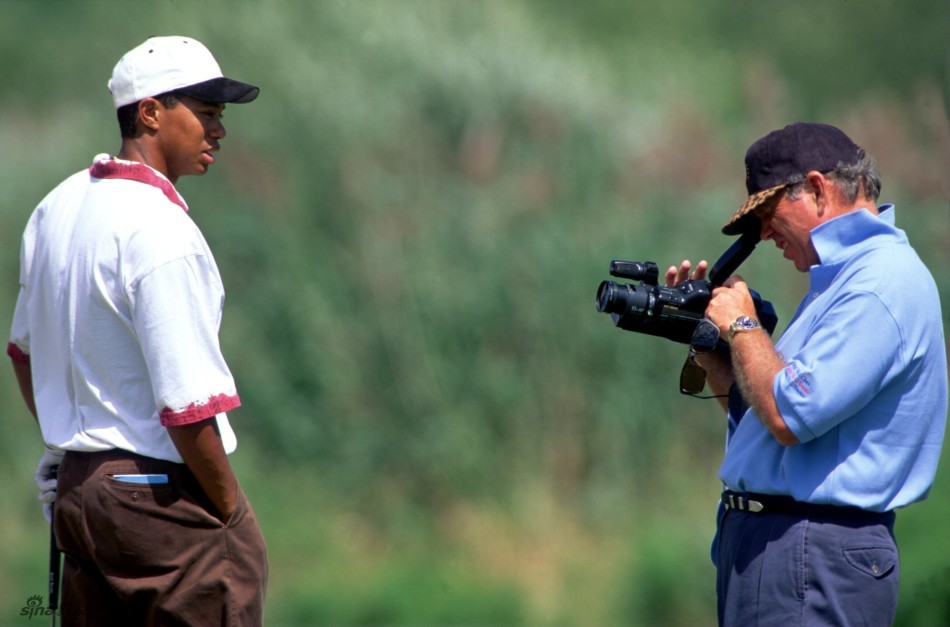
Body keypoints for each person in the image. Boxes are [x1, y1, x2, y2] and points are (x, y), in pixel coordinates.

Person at [7, 36, 268, 625]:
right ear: (149, 112)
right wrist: (229, 512)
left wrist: (66, 442)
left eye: (220, 116)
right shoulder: (160, 229)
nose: (219, 130)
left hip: (79, 494)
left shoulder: (57, 207)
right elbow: (187, 403)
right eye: (205, 113)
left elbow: (23, 353)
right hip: (157, 495)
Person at [667, 122, 947, 626]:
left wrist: (744, 325)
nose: (766, 234)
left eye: (769, 215)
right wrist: (713, 350)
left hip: (810, 548)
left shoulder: (879, 282)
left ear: (817, 189)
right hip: (784, 547)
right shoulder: (842, 283)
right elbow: (765, 411)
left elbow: (789, 413)